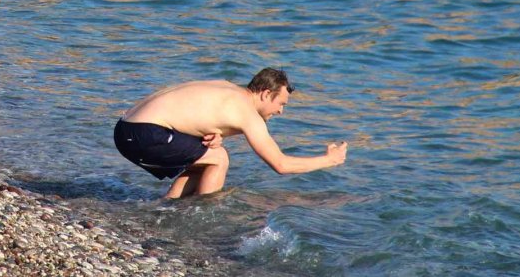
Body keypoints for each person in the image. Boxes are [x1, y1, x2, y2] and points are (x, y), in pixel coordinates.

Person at [114, 68, 347, 198]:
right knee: (219, 159)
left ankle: (169, 207)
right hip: (143, 133)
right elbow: (281, 165)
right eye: (281, 104)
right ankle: (202, 217)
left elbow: (193, 110)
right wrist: (329, 160)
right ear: (266, 94)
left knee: (207, 156)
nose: (281, 111)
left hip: (126, 126)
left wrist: (215, 134)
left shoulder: (226, 88)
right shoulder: (247, 113)